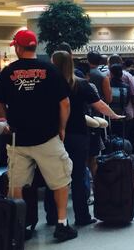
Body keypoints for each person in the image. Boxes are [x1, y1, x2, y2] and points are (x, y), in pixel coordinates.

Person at [0, 29, 78, 242]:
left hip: (18, 139)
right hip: (47, 137)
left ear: (19, 48)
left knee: (17, 184)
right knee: (60, 181)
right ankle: (61, 224)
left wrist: (9, 121)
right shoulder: (50, 70)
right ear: (34, 46)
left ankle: (18, 226)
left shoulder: (8, 72)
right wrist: (62, 127)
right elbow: (65, 103)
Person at [47, 51, 123, 226]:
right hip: (78, 134)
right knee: (79, 174)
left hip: (52, 135)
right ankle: (82, 216)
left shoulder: (48, 84)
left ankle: (52, 216)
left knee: (53, 176)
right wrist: (114, 115)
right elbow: (99, 104)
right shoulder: (80, 84)